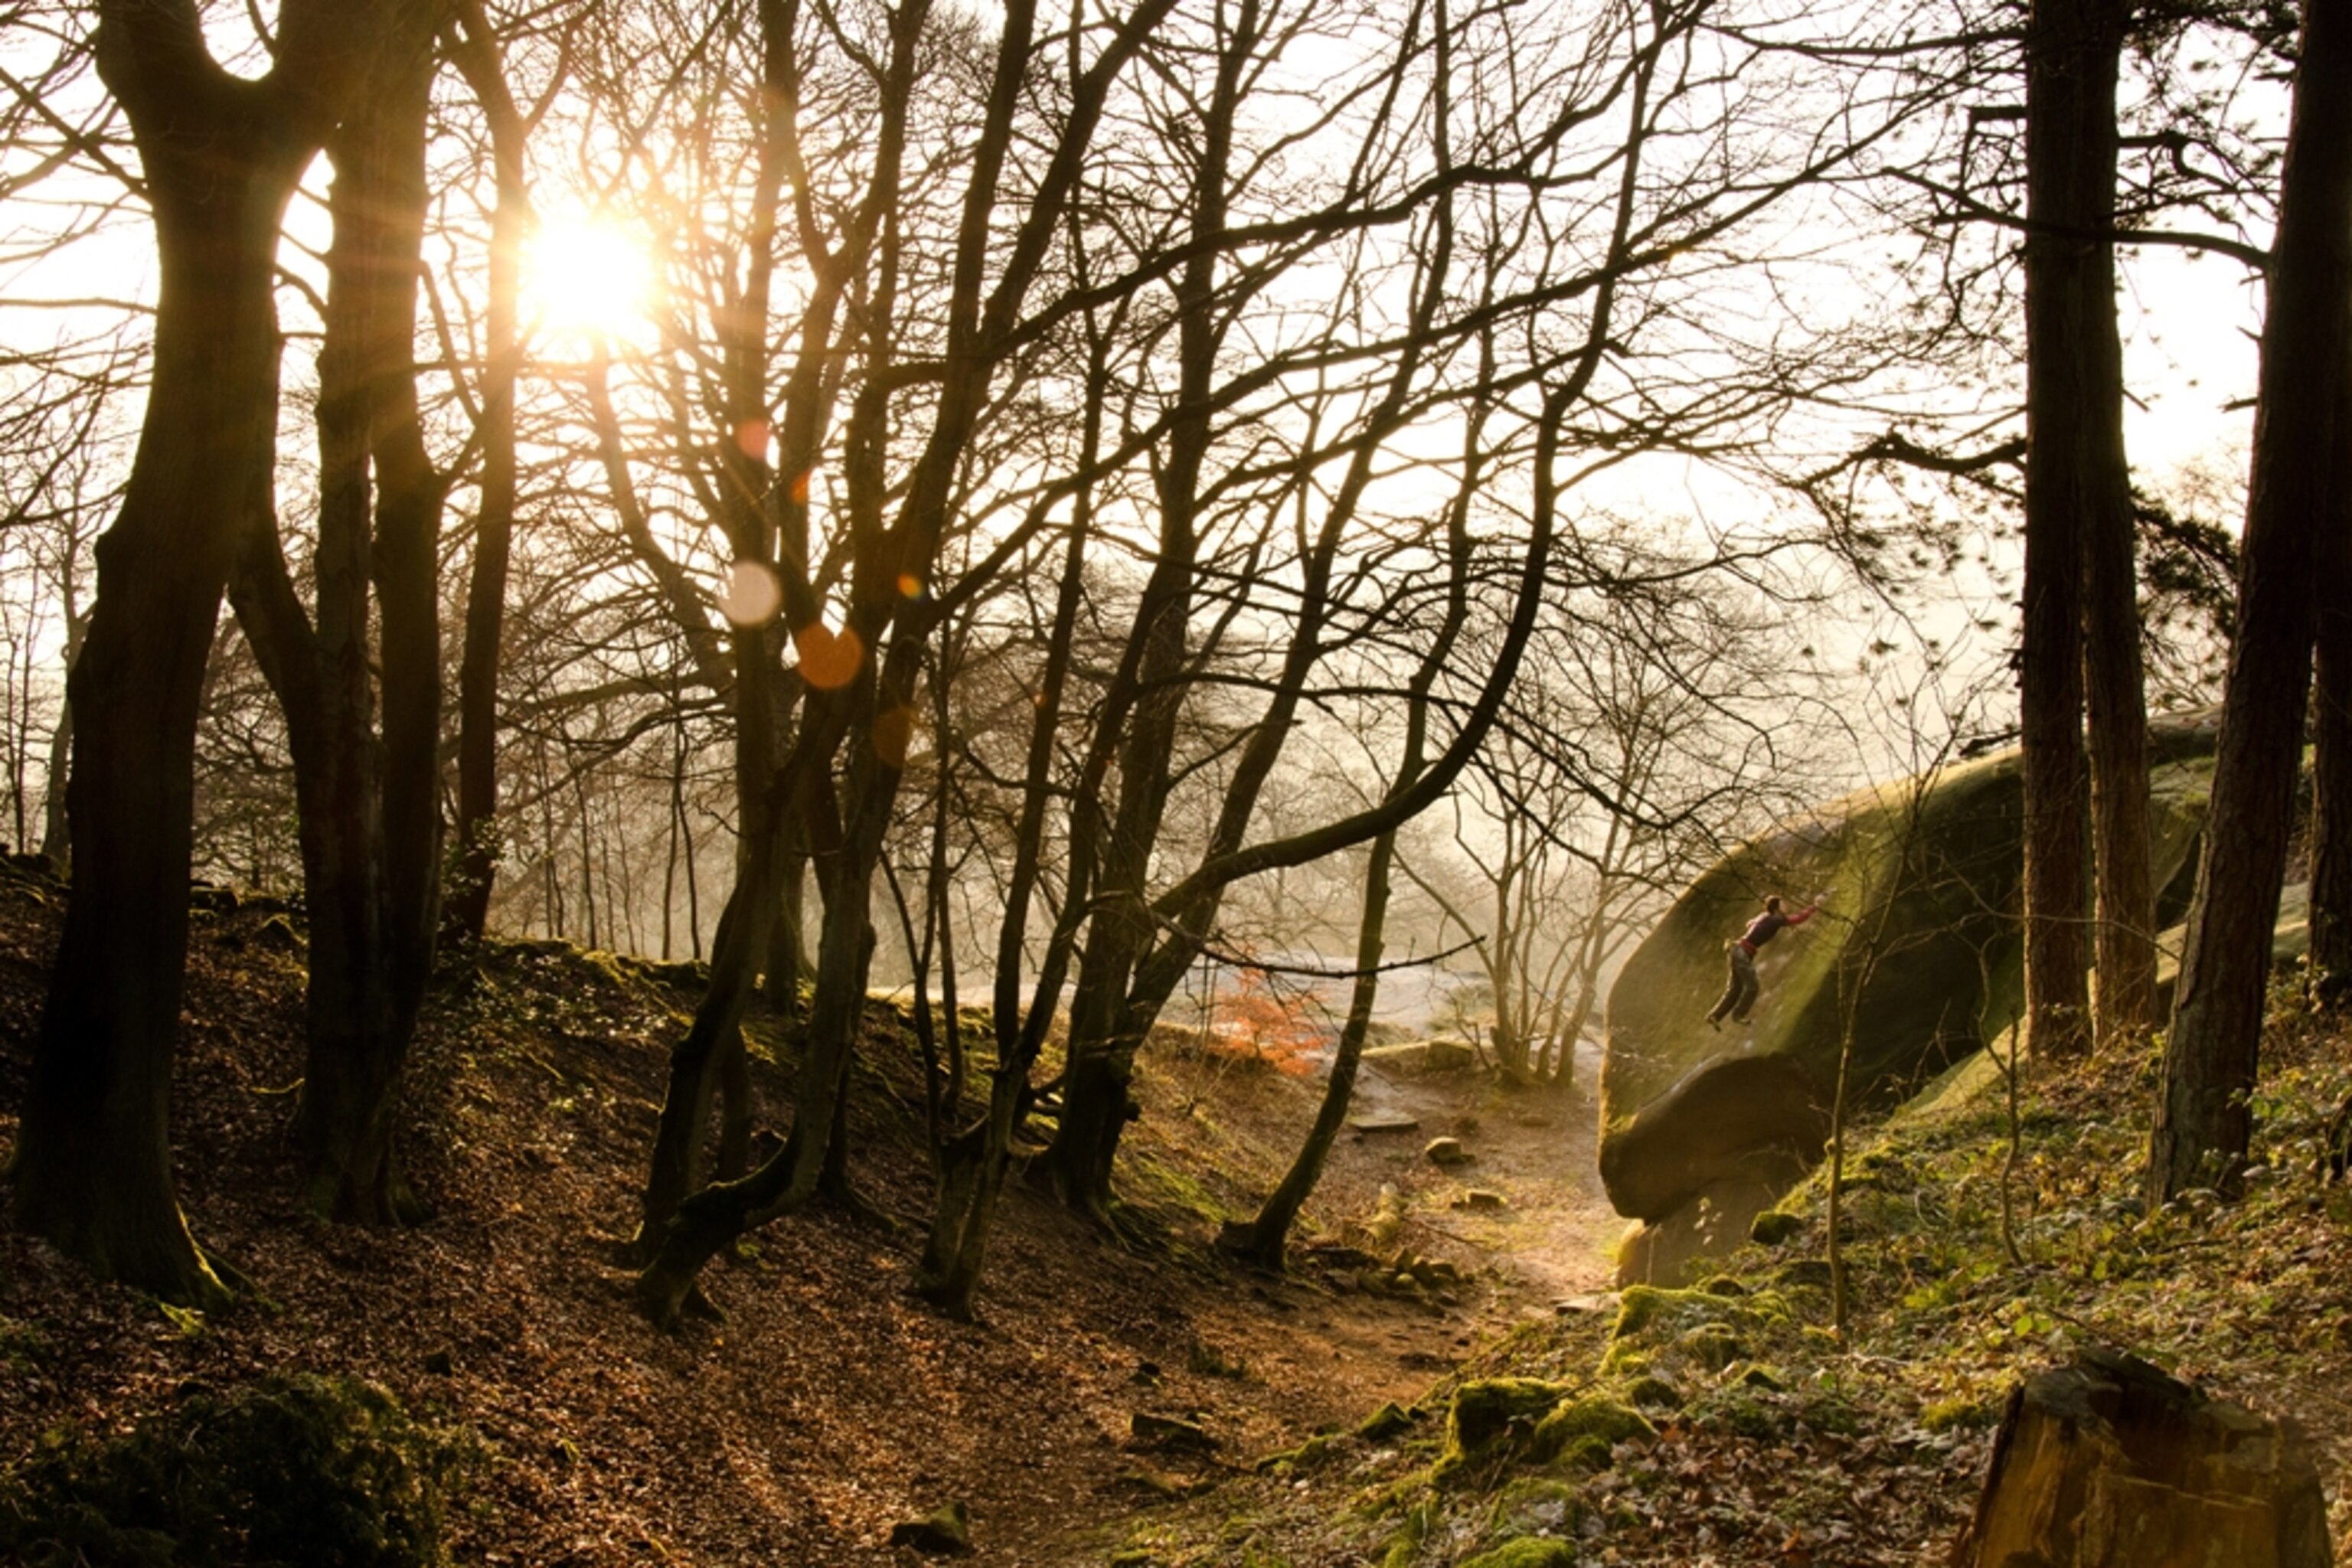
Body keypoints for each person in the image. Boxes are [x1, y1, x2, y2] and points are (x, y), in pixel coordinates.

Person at [1706, 893, 1821, 1030]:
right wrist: (1815, 905)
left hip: (1736, 950)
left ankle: (1715, 1016)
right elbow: (1799, 918)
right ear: (1776, 907)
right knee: (1752, 986)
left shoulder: (1765, 916)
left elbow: (1749, 923)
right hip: (1741, 952)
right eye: (1783, 903)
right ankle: (1738, 1014)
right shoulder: (1776, 919)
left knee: (1735, 988)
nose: (1787, 905)